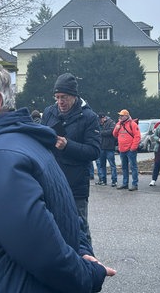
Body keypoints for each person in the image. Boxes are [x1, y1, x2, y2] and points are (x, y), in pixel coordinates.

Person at [0, 60, 115, 292]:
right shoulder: (20, 143)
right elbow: (63, 216)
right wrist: (83, 252)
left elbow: (45, 255)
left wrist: (90, 275)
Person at [41, 73, 101, 245]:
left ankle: (88, 266)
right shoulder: (49, 112)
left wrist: (68, 145)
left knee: (79, 228)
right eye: (57, 97)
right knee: (51, 225)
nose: (60, 102)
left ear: (74, 96)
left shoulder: (89, 117)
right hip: (51, 181)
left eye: (64, 97)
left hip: (75, 184)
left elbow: (94, 151)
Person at [112, 109, 140, 191]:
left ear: (127, 116)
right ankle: (125, 183)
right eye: (120, 115)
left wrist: (133, 148)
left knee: (133, 167)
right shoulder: (118, 124)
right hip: (122, 150)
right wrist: (116, 128)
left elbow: (137, 137)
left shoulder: (133, 124)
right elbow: (114, 135)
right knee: (124, 167)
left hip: (130, 150)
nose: (120, 117)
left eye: (122, 115)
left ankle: (135, 184)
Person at [96, 113, 117, 187]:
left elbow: (111, 132)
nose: (100, 121)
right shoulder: (99, 123)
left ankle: (114, 181)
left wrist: (100, 133)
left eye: (100, 119)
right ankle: (103, 180)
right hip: (101, 147)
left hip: (109, 147)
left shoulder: (111, 122)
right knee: (102, 165)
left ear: (104, 118)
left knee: (112, 165)